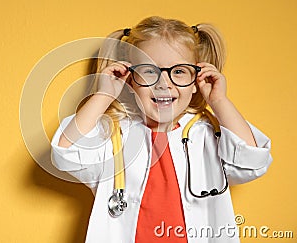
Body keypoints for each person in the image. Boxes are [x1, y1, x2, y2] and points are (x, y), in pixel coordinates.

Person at [50, 16, 272, 243]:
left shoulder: (209, 134)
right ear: (130, 79)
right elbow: (65, 153)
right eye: (148, 71)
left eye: (179, 71)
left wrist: (219, 101)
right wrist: (104, 95)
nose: (163, 83)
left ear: (197, 79)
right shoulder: (115, 135)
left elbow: (252, 162)